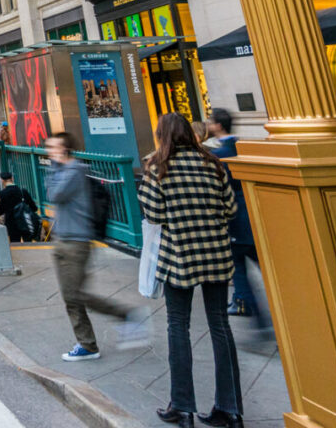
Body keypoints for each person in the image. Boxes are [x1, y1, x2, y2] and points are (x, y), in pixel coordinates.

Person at [139, 113, 242, 428]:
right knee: (221, 328)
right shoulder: (214, 165)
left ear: (163, 136)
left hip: (179, 258)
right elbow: (230, 208)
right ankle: (231, 409)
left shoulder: (158, 169)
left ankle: (182, 406)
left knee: (178, 327)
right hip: (216, 255)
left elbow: (154, 215)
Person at [46, 132, 149, 360]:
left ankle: (125, 316)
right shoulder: (65, 170)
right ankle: (87, 344)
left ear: (65, 149)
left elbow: (55, 194)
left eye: (53, 147)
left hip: (76, 242)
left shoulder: (73, 171)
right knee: (71, 297)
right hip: (64, 239)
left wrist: (54, 167)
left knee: (74, 296)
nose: (49, 151)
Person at [205, 110, 272, 342]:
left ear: (217, 126)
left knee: (241, 272)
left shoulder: (218, 155)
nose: (208, 124)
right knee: (266, 271)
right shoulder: (242, 147)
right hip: (253, 216)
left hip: (235, 221)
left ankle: (257, 320)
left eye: (210, 121)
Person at [0, 171, 41, 243]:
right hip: (25, 222)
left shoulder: (2, 194)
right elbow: (34, 208)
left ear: (2, 180)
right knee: (28, 243)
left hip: (11, 224)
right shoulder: (23, 191)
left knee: (15, 243)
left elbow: (0, 211)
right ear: (12, 178)